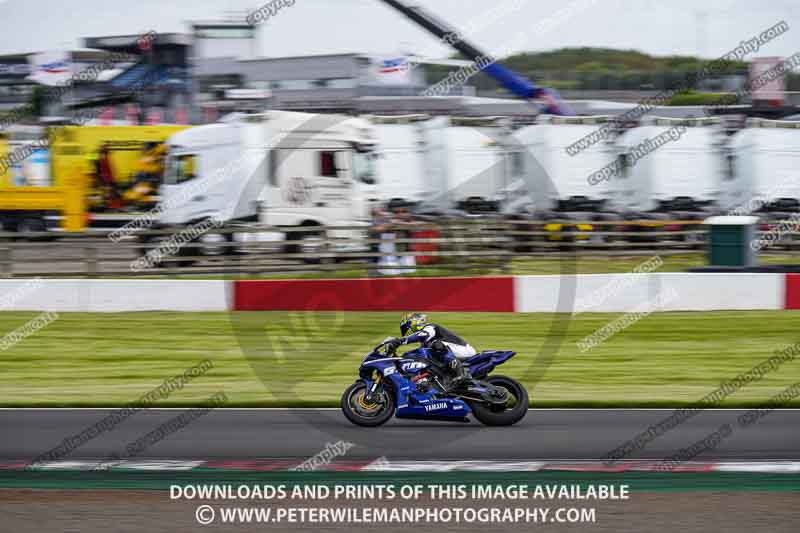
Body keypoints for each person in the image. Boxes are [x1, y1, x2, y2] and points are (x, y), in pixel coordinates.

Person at [386, 312, 477, 390]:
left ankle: (459, 374)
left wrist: (401, 341)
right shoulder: (425, 344)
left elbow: (423, 335)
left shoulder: (430, 327)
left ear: (412, 323)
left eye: (405, 328)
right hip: (453, 353)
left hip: (464, 350)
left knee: (436, 345)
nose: (405, 332)